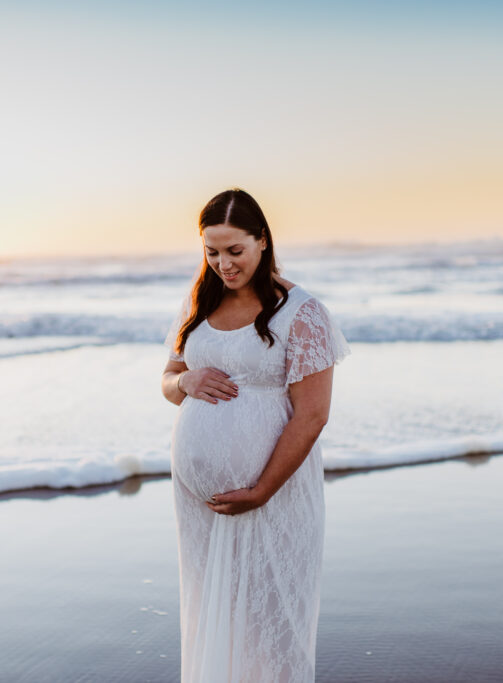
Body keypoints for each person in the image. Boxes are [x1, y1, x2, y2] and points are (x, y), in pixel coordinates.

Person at [161, 188, 350, 682]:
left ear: (262, 241)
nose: (223, 263)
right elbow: (167, 379)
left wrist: (261, 490)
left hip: (274, 495)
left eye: (235, 250)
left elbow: (312, 416)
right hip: (198, 505)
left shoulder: (302, 313)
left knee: (269, 622)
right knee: (212, 612)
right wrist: (185, 380)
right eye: (212, 251)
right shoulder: (198, 302)